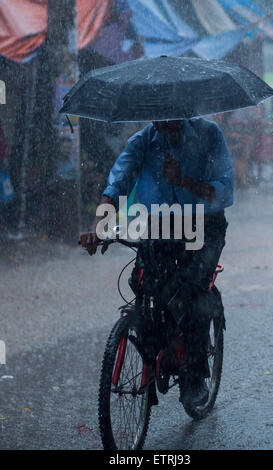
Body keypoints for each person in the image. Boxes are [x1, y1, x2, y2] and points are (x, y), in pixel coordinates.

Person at [80, 118, 233, 409]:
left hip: (205, 227)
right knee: (142, 282)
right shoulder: (142, 141)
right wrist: (99, 226)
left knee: (191, 291)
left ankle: (195, 375)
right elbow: (116, 183)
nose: (164, 123)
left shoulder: (209, 135)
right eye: (158, 118)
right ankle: (158, 348)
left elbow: (223, 191)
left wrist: (184, 181)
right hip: (160, 226)